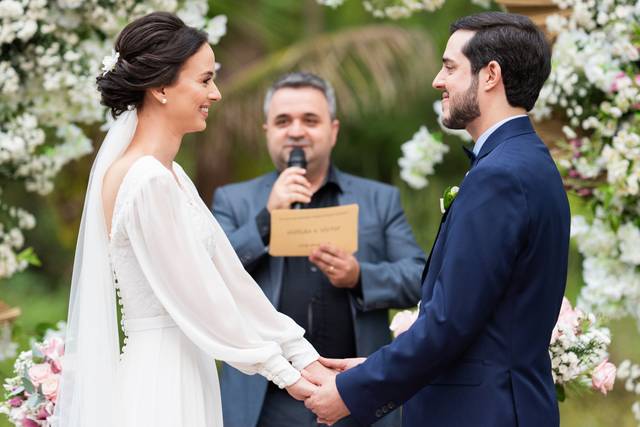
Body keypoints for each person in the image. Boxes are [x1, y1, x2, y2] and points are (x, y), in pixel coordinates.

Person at [55, 12, 332, 427]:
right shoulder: (146, 180)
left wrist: (301, 352)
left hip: (189, 365)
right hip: (163, 377)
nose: (216, 93)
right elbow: (199, 298)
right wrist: (285, 373)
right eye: (205, 80)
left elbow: (227, 276)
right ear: (161, 87)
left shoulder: (170, 174)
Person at [304, 12, 571, 427]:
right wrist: (371, 367)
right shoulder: (529, 161)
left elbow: (449, 323)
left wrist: (351, 392)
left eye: (449, 67)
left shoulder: (499, 175)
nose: (437, 80)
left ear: (490, 75)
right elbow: (486, 325)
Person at [212, 72, 425, 427]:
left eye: (310, 120)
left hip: (357, 395)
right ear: (267, 131)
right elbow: (207, 277)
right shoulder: (233, 201)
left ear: (333, 130)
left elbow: (420, 278)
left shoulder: (379, 200)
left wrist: (360, 276)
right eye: (283, 121)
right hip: (265, 401)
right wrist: (266, 220)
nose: (296, 130)